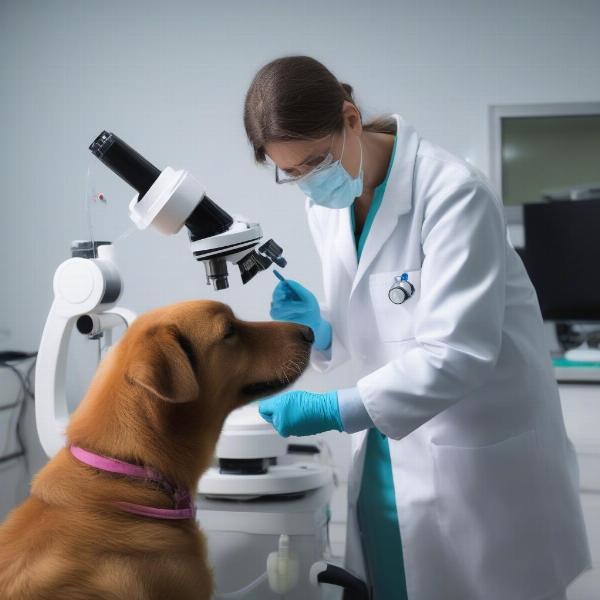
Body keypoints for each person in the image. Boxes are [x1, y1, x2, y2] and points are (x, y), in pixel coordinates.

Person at [243, 55, 590, 600]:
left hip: (479, 461)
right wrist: (325, 329)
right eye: (292, 172)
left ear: (351, 119)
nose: (310, 182)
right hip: (390, 450)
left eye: (315, 161)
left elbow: (458, 352)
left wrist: (331, 409)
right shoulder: (326, 207)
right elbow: (380, 324)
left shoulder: (453, 193)